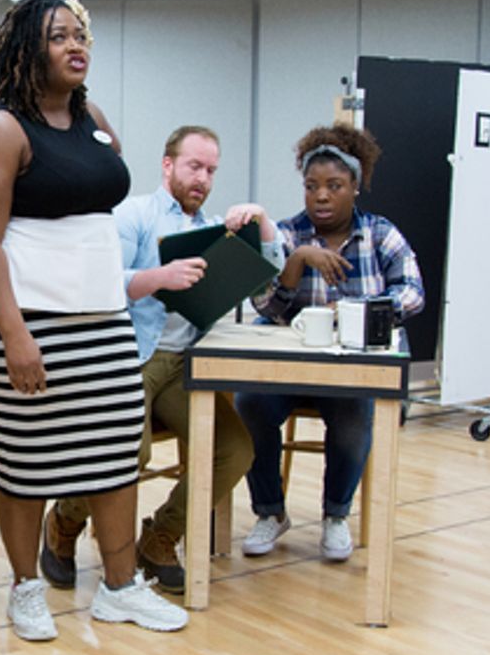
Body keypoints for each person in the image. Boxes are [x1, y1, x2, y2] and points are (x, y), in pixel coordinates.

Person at [0, 0, 187, 641]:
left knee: (116, 450)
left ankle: (119, 589)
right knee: (29, 456)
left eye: (80, 35)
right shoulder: (2, 129)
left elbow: (96, 193)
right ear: (29, 49)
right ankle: (26, 586)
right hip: (22, 316)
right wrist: (15, 337)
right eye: (58, 36)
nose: (75, 45)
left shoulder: (90, 117)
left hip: (101, 311)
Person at [41, 126, 282, 594]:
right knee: (131, 451)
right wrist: (160, 278)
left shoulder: (212, 229)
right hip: (130, 356)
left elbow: (263, 290)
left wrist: (263, 224)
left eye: (211, 171)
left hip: (184, 365)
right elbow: (100, 283)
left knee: (236, 451)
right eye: (194, 166)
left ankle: (159, 537)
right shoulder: (134, 215)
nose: (203, 179)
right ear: (168, 165)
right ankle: (64, 523)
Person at [235, 123, 424, 561]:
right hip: (293, 370)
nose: (321, 196)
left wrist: (363, 312)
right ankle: (270, 512)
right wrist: (298, 261)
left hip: (347, 373)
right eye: (311, 186)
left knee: (355, 416)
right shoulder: (285, 235)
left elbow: (413, 293)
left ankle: (336, 516)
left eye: (334, 186)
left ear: (355, 188)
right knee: (249, 406)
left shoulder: (380, 234)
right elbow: (265, 305)